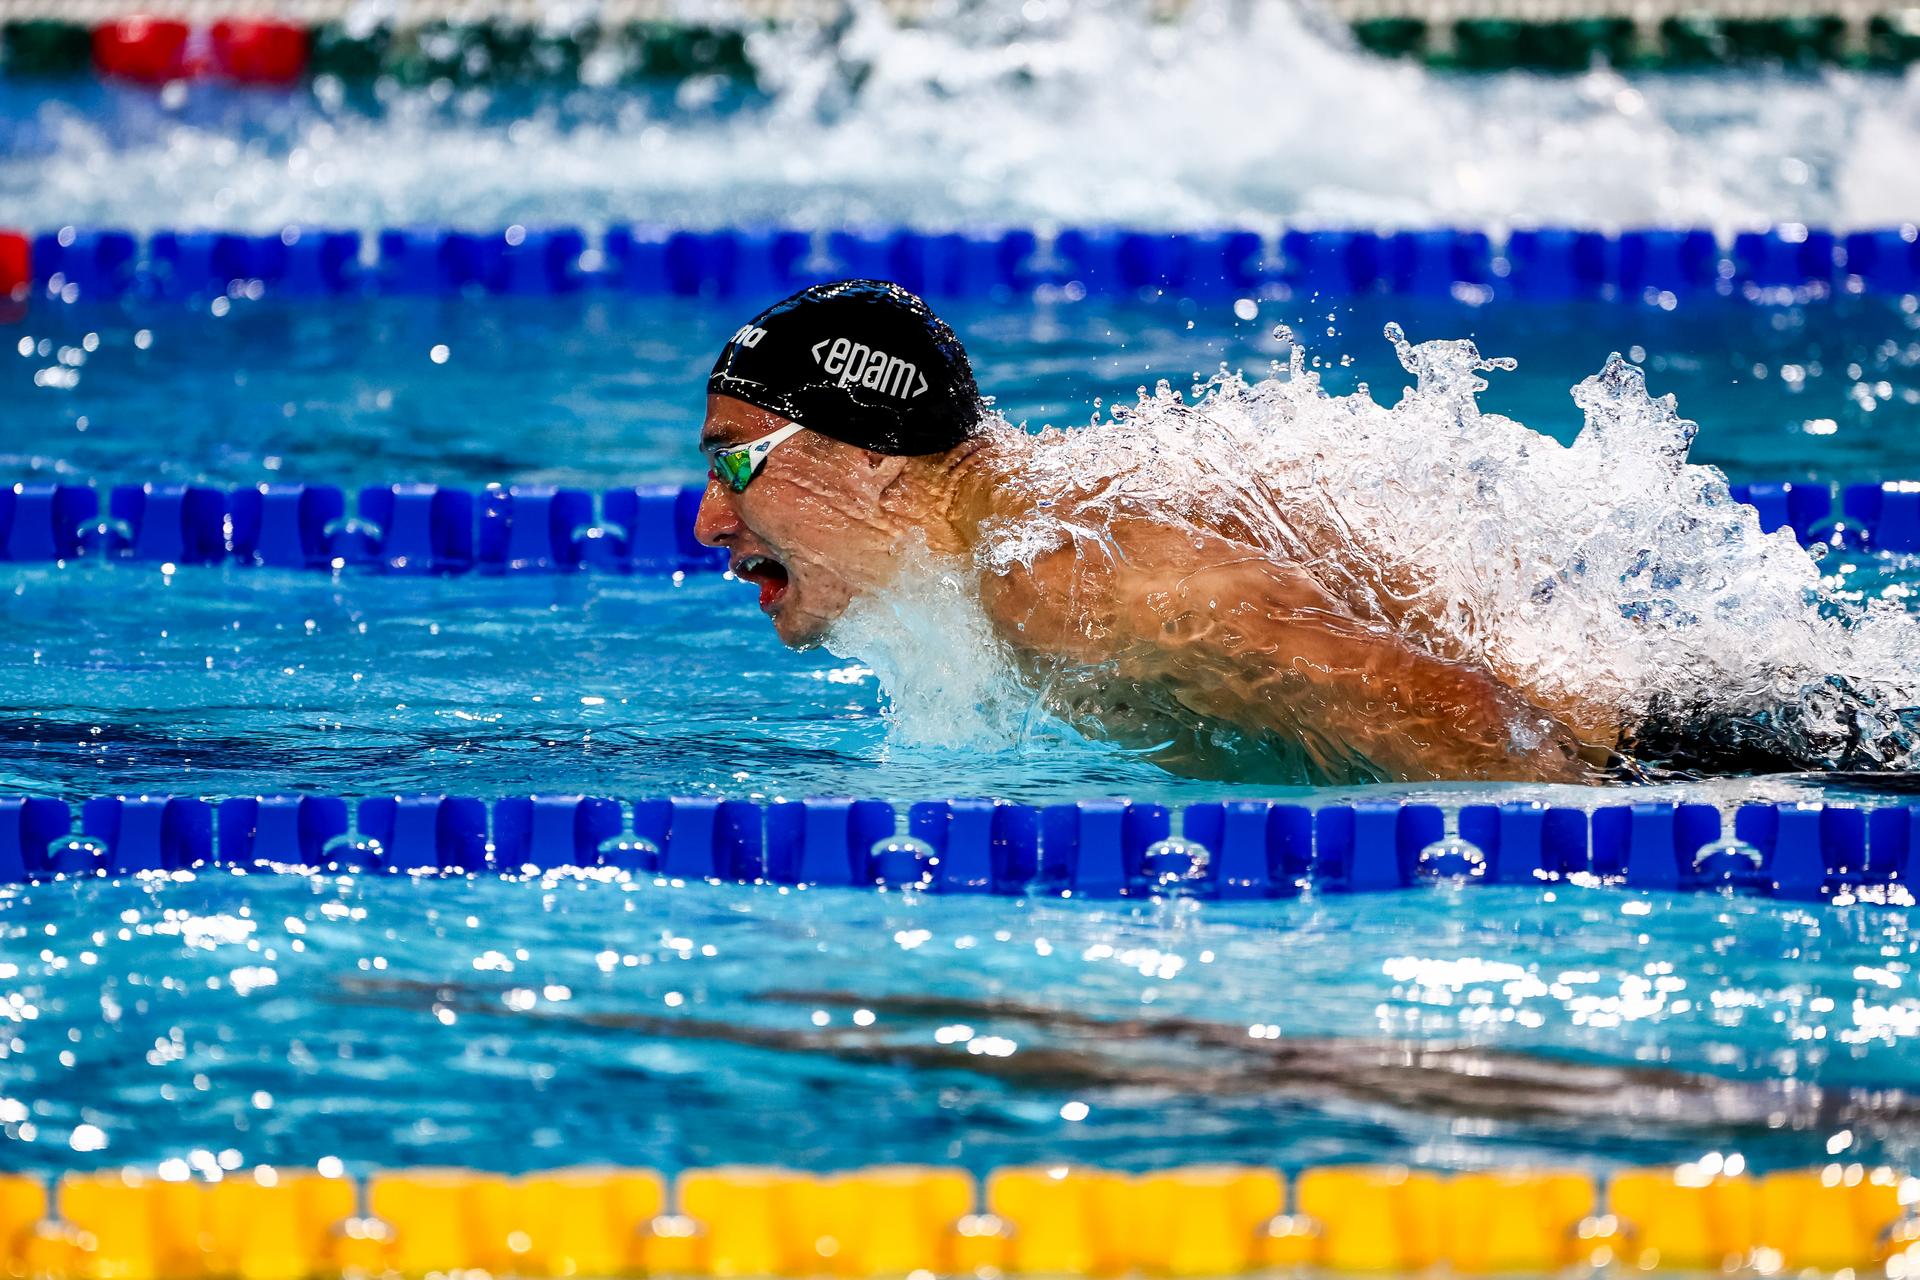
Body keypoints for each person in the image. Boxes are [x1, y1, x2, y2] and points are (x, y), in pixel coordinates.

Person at [693, 279, 1634, 784]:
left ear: (873, 452)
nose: (708, 521)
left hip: (1673, 780)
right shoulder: (1041, 510)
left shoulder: (1057, 580)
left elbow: (1492, 738)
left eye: (734, 460)